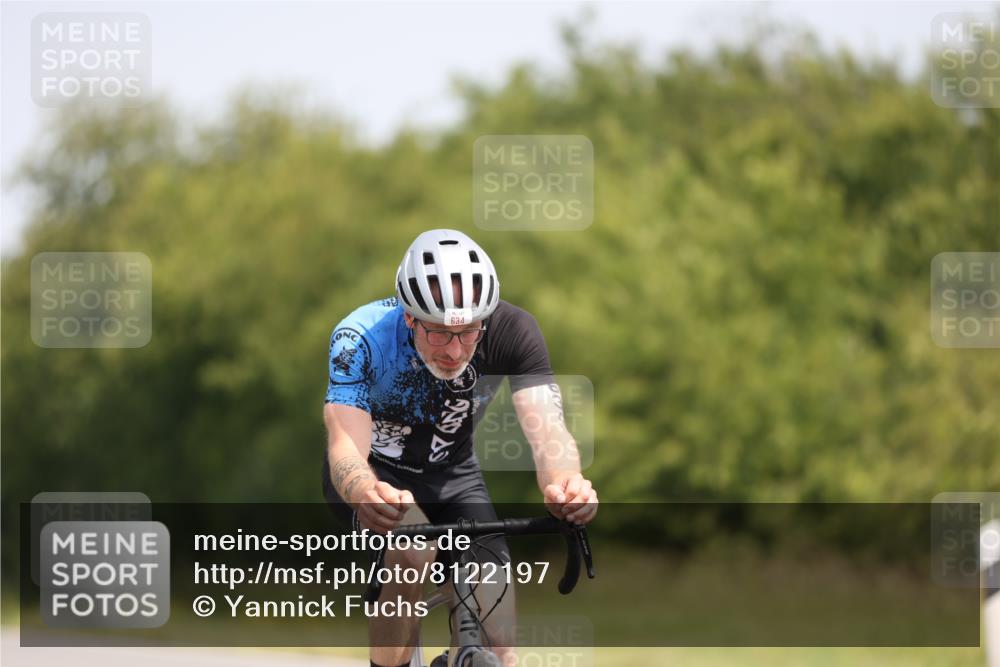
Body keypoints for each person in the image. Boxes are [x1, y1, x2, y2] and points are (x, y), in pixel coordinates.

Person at [322, 229, 598, 667]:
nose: (454, 350)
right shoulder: (360, 338)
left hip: (453, 474)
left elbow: (549, 432)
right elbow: (344, 447)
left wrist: (567, 485)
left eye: (468, 333)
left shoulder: (514, 331)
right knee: (411, 551)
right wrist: (362, 490)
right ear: (410, 317)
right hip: (378, 476)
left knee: (500, 633)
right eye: (437, 334)